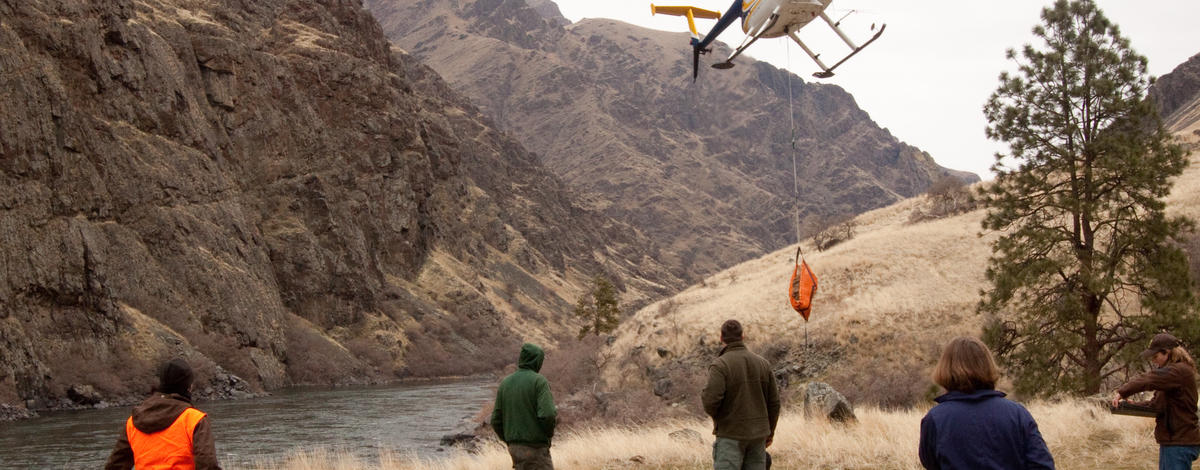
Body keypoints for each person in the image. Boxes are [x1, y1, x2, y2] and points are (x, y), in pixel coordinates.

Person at [918, 336, 1054, 470]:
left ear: (945, 369)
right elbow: (1042, 465)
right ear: (988, 366)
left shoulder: (935, 419)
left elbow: (931, 464)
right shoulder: (1017, 414)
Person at [104, 358, 222, 470]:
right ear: (189, 387)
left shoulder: (133, 421)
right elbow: (208, 465)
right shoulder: (194, 419)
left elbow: (115, 466)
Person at [1112, 332, 1200, 470]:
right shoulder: (1173, 376)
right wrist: (1134, 406)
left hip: (1179, 443)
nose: (1153, 361)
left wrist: (1122, 392)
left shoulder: (1178, 371)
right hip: (1173, 442)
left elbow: (1149, 379)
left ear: (1167, 352)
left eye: (1156, 356)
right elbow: (1157, 405)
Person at [702, 319, 781, 470]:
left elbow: (710, 402)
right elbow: (774, 403)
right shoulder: (763, 364)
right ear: (742, 336)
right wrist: (769, 433)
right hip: (758, 436)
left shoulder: (720, 365)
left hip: (730, 435)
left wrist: (721, 420)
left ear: (721, 338)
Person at [491, 343, 557, 470]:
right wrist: (547, 436)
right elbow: (548, 414)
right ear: (537, 361)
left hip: (514, 449)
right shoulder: (539, 381)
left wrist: (509, 440)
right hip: (536, 448)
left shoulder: (505, 383)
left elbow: (495, 420)